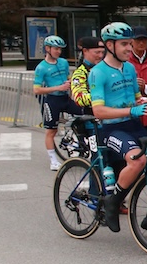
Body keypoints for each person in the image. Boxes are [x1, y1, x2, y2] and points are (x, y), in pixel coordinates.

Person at [88, 22, 147, 238]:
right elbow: (99, 111)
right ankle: (113, 202)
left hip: (134, 124)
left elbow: (134, 98)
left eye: (130, 44)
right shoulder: (98, 73)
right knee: (138, 160)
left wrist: (142, 101)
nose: (129, 49)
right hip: (112, 129)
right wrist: (131, 112)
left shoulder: (130, 68)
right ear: (110, 45)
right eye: (124, 44)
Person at [33, 34, 73, 171]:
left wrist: (70, 83)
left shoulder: (63, 62)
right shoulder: (41, 67)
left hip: (65, 97)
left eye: (60, 49)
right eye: (56, 49)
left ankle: (74, 141)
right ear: (47, 49)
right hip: (51, 100)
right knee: (51, 130)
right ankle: (53, 160)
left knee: (85, 115)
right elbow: (36, 89)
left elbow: (68, 77)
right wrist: (58, 88)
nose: (59, 52)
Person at [69, 36, 106, 114]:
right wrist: (107, 96)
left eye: (102, 52)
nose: (100, 56)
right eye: (97, 52)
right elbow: (79, 98)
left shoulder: (106, 69)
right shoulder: (80, 72)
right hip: (92, 120)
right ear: (85, 51)